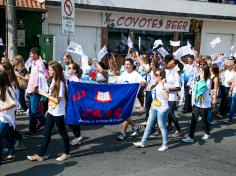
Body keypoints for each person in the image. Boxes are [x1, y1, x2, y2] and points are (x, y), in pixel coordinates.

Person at [27, 62, 70, 161]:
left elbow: (56, 100)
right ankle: (40, 155)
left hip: (58, 113)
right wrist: (48, 110)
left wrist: (44, 94)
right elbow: (52, 99)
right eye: (49, 69)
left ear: (56, 71)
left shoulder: (61, 83)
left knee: (62, 133)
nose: (48, 71)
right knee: (46, 132)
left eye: (50, 70)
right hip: (52, 111)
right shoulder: (53, 80)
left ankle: (66, 153)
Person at [133, 68, 169, 151]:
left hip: (162, 109)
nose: (154, 76)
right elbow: (147, 87)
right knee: (149, 124)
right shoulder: (155, 84)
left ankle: (165, 144)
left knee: (161, 126)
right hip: (154, 107)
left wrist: (163, 85)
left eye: (156, 75)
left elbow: (167, 97)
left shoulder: (165, 85)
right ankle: (143, 142)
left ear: (161, 76)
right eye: (155, 74)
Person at [116, 59, 146, 140]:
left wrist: (142, 83)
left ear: (132, 65)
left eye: (128, 64)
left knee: (126, 114)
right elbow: (118, 84)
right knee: (123, 114)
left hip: (131, 99)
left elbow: (143, 81)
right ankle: (135, 126)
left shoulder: (136, 74)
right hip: (123, 98)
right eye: (125, 64)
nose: (126, 66)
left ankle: (122, 133)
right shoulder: (123, 74)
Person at [182, 64, 212, 143]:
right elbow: (195, 86)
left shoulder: (208, 81)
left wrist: (200, 80)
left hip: (205, 104)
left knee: (204, 120)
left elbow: (201, 90)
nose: (199, 71)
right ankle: (190, 137)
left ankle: (207, 133)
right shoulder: (198, 78)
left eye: (201, 71)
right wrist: (192, 90)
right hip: (197, 103)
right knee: (193, 120)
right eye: (199, 70)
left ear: (205, 72)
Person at [25, 47, 46, 135]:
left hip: (35, 91)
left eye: (31, 54)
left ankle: (47, 122)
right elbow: (31, 78)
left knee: (34, 111)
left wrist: (35, 87)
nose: (30, 56)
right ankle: (32, 129)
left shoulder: (40, 64)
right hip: (30, 90)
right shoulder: (33, 62)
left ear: (36, 55)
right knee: (31, 112)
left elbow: (41, 78)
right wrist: (27, 91)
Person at [0, 70, 17, 164]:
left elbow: (14, 103)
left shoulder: (8, 89)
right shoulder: (1, 88)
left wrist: (1, 108)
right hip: (2, 117)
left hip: (6, 118)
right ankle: (12, 152)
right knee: (6, 137)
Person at [164, 56, 182, 137]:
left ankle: (178, 130)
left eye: (170, 62)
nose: (168, 62)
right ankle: (170, 125)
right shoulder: (169, 71)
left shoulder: (176, 74)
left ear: (174, 64)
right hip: (166, 95)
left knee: (171, 113)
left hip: (172, 97)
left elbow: (178, 88)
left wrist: (168, 88)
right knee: (168, 112)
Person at [66, 63, 83, 146]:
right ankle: (78, 137)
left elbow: (79, 93)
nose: (68, 69)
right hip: (69, 101)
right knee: (71, 120)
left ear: (74, 70)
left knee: (72, 120)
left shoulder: (76, 80)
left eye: (69, 68)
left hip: (75, 103)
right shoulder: (70, 78)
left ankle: (78, 136)